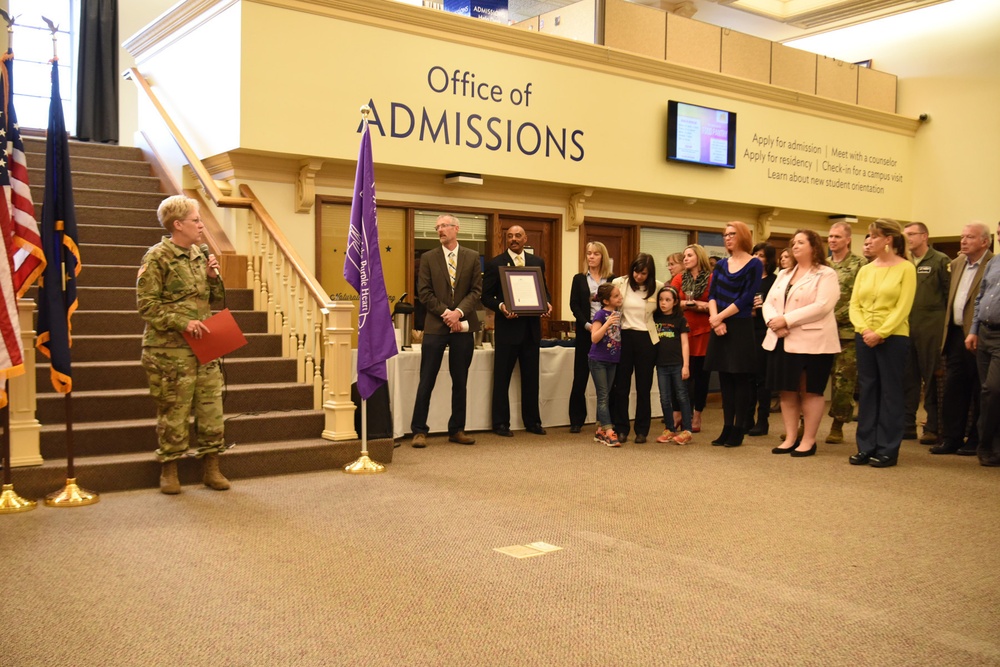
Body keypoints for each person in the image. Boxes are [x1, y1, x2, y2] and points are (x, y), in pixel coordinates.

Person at [137, 195, 229, 494]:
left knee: (211, 409)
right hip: (170, 351)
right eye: (196, 220)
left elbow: (210, 298)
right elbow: (146, 305)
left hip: (206, 345)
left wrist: (213, 276)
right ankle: (170, 469)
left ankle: (211, 467)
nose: (202, 226)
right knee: (174, 412)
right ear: (178, 224)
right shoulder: (156, 257)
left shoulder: (199, 255)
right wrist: (181, 322)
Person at [762, 230, 841, 457]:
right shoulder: (784, 273)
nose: (794, 246)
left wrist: (786, 319)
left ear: (814, 247)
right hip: (781, 339)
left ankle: (808, 440)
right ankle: (790, 437)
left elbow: (822, 306)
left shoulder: (826, 274)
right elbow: (769, 302)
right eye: (793, 242)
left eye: (800, 242)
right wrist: (773, 321)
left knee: (810, 391)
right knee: (787, 391)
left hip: (813, 342)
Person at [848, 218, 916, 468]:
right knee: (867, 392)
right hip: (865, 336)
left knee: (890, 393)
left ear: (888, 239)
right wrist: (865, 330)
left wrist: (882, 332)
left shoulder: (906, 268)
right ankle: (865, 446)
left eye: (874, 236)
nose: (869, 241)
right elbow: (854, 305)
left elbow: (903, 307)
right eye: (869, 236)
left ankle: (888, 448)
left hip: (893, 337)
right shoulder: (866, 269)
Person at [410, 215, 482, 448]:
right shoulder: (429, 258)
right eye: (437, 227)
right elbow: (424, 292)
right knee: (426, 379)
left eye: (443, 226)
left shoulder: (471, 257)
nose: (439, 230)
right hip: (435, 326)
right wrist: (447, 313)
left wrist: (458, 312)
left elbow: (476, 291)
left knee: (460, 380)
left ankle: (457, 429)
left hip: (462, 327)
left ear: (456, 229)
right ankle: (419, 430)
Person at [482, 225, 551, 437]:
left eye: (518, 236)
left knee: (531, 379)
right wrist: (502, 307)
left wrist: (546, 304)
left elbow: (543, 292)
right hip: (507, 331)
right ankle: (501, 423)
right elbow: (486, 297)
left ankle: (533, 422)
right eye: (510, 236)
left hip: (531, 331)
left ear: (525, 239)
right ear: (506, 240)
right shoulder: (496, 263)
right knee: (502, 378)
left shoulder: (537, 262)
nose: (514, 239)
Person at [933, 222, 993, 456]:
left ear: (985, 242)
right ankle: (952, 437)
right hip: (956, 334)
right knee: (954, 388)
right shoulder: (956, 263)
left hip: (980, 335)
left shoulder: (993, 264)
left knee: (980, 388)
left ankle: (975, 439)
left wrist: (976, 331)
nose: (963, 241)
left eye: (970, 237)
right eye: (962, 236)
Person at [706, 221, 762, 448]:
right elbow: (712, 294)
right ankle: (726, 427)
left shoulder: (754, 264)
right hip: (719, 324)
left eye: (732, 234)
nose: (727, 238)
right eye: (725, 235)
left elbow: (747, 297)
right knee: (725, 380)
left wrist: (720, 317)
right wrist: (714, 319)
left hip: (739, 324)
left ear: (742, 236)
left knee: (740, 379)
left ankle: (739, 428)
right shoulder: (720, 265)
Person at [902, 222, 950, 443]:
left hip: (932, 327)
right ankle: (907, 424)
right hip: (906, 326)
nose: (908, 238)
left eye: (912, 234)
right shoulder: (903, 262)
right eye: (905, 235)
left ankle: (933, 426)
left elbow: (950, 296)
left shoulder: (940, 260)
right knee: (908, 377)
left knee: (931, 377)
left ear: (924, 236)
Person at [611, 253, 663, 443]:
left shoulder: (658, 287)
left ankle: (642, 430)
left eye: (643, 273)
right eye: (636, 271)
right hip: (624, 336)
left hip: (647, 339)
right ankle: (622, 428)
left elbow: (664, 312)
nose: (638, 276)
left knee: (644, 386)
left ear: (649, 274)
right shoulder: (619, 283)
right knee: (621, 386)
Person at [824, 221, 867, 444]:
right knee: (813, 379)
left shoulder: (861, 264)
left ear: (848, 239)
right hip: (820, 329)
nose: (832, 240)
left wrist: (837, 315)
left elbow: (861, 297)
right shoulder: (823, 264)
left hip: (847, 332)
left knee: (843, 381)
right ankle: (804, 423)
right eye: (830, 236)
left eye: (837, 237)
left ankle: (837, 424)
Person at [568, 242, 614, 433]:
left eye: (595, 254)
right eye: (588, 254)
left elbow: (617, 303)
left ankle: (603, 420)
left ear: (602, 256)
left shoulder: (612, 279)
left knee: (607, 380)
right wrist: (587, 325)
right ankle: (576, 420)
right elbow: (574, 305)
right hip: (586, 332)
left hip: (608, 334)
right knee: (580, 376)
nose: (591, 257)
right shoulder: (579, 279)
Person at [965, 220, 1000, 467]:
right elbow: (980, 298)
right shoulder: (994, 262)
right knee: (986, 392)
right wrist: (974, 329)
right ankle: (989, 445)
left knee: (992, 390)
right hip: (985, 333)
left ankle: (987, 443)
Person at [671, 244, 713, 433]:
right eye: (684, 256)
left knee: (701, 376)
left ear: (699, 257)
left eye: (689, 255)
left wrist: (699, 305)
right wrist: (688, 304)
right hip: (683, 331)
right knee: (682, 374)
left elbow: (716, 302)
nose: (685, 258)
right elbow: (669, 300)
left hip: (704, 331)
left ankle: (697, 414)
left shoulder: (711, 278)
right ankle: (678, 413)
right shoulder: (679, 278)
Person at [653, 285, 693, 444]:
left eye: (668, 300)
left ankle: (687, 430)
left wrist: (686, 365)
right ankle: (670, 428)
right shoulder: (655, 318)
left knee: (682, 396)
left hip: (677, 364)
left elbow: (685, 344)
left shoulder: (680, 320)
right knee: (664, 398)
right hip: (661, 365)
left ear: (675, 302)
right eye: (661, 300)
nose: (663, 303)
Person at [747, 242, 777, 436]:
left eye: (762, 255)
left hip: (765, 331)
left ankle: (763, 419)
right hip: (747, 329)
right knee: (747, 377)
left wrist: (763, 306)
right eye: (755, 254)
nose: (758, 258)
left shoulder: (775, 280)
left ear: (769, 259)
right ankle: (746, 418)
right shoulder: (749, 279)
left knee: (762, 379)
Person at [589, 283, 623, 447]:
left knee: (607, 394)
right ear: (606, 300)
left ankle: (600, 429)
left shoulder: (618, 313)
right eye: (616, 296)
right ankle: (609, 431)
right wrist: (607, 323)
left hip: (612, 360)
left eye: (619, 295)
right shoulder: (600, 315)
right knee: (603, 395)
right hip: (598, 360)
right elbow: (594, 337)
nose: (620, 298)